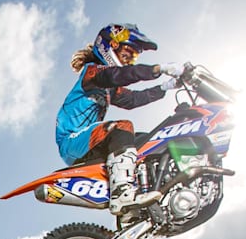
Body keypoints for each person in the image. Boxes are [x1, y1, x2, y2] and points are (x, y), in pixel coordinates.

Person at [55, 23, 182, 213]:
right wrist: (159, 68)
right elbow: (119, 75)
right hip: (72, 142)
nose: (130, 61)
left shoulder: (109, 87)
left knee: (146, 140)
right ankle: (121, 194)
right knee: (121, 127)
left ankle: (141, 199)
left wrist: (165, 87)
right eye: (127, 54)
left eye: (134, 57)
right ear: (110, 47)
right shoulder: (92, 73)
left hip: (91, 142)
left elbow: (132, 99)